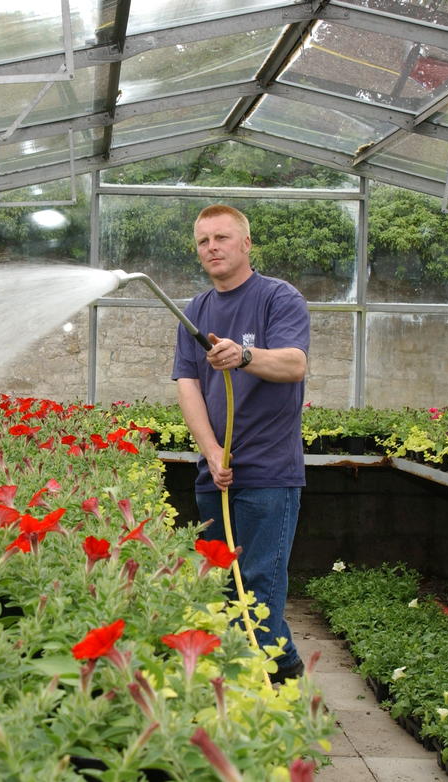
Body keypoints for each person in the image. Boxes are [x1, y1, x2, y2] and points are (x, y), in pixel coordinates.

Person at [171, 204, 310, 684]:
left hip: (270, 473)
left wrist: (245, 355)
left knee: (259, 584)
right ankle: (256, 679)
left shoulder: (278, 297)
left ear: (246, 244)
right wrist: (210, 452)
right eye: (203, 241)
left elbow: (294, 364)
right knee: (221, 584)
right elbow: (187, 382)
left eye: (222, 238)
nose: (212, 247)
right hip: (217, 472)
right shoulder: (196, 310)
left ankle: (275, 681)